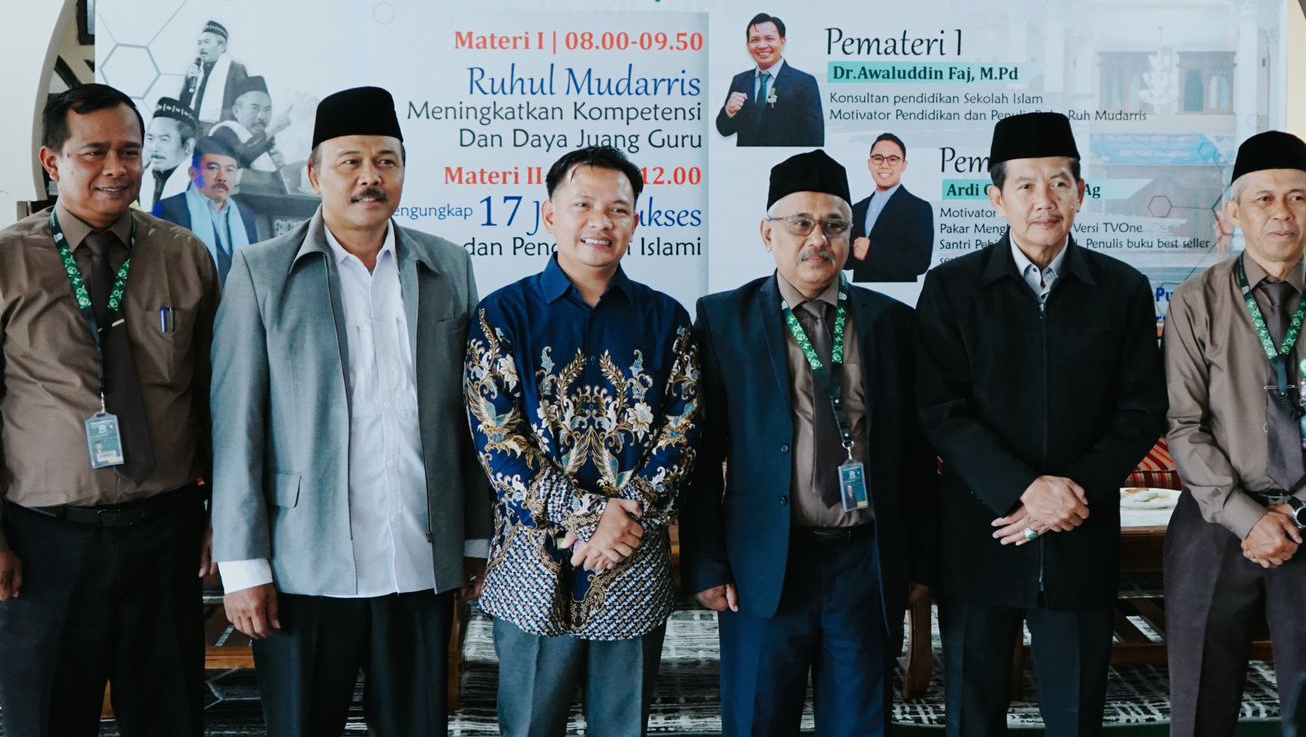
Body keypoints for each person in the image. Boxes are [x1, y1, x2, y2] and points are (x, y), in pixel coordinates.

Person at [210, 86, 491, 736]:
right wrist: (243, 566)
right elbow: (235, 427)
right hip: (303, 564)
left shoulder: (447, 266)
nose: (371, 177)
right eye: (351, 162)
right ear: (314, 175)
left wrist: (474, 537)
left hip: (417, 558)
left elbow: (472, 416)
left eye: (387, 161)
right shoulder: (261, 272)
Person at [917, 111, 1165, 736]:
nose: (1044, 200)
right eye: (1025, 185)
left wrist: (1069, 495)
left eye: (1059, 183)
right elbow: (940, 410)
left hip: (1080, 535)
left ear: (1080, 194)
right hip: (984, 535)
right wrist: (1025, 490)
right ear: (997, 198)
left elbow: (1141, 410)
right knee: (972, 717)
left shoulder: (1123, 290)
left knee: (1075, 718)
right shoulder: (951, 289)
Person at [681, 149, 937, 737]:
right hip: (765, 563)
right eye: (801, 223)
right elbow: (701, 454)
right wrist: (707, 561)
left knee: (860, 724)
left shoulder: (893, 323)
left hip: (865, 562)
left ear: (851, 236)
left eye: (834, 225)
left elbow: (915, 452)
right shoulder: (724, 321)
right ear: (767, 233)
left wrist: (919, 559)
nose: (817, 239)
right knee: (758, 720)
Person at [0, 83, 220, 736]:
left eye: (129, 151)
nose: (116, 168)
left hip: (165, 536)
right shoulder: (9, 262)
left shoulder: (184, 255)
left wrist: (223, 518)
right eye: (94, 152)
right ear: (52, 161)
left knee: (169, 718)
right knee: (45, 721)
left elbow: (215, 398)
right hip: (45, 545)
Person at [464, 145, 700, 737]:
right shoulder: (502, 316)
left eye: (618, 209)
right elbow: (498, 443)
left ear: (635, 223)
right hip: (533, 563)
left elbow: (682, 431)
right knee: (530, 725)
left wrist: (624, 521)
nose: (601, 221)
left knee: (622, 725)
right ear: (550, 216)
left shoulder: (667, 319)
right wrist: (596, 518)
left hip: (631, 562)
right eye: (583, 205)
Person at [1162, 131, 1306, 735]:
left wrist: (1299, 511)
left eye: (1296, 198)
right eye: (1263, 199)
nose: (1280, 212)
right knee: (1199, 708)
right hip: (1215, 525)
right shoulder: (1196, 302)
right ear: (1234, 212)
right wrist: (1249, 519)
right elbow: (1184, 426)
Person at [152, 135, 259, 281]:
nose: (222, 177)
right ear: (193, 173)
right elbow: (160, 272)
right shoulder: (168, 209)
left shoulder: (246, 215)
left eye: (229, 170)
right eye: (213, 168)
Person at [713, 13, 824, 147]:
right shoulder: (740, 81)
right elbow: (724, 130)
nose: (762, 45)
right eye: (755, 40)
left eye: (769, 38)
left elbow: (815, 138)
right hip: (746, 160)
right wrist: (728, 111)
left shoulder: (805, 83)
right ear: (748, 45)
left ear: (782, 42)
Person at [847, 133, 934, 283]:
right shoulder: (857, 209)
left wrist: (871, 251)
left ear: (904, 165)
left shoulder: (919, 208)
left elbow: (920, 263)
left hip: (898, 292)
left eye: (893, 159)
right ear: (869, 164)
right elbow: (849, 260)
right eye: (878, 158)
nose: (884, 165)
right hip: (860, 293)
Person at [178, 19, 250, 126]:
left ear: (221, 47)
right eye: (199, 43)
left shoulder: (235, 69)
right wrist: (188, 81)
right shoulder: (197, 69)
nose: (201, 47)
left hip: (221, 130)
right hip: (194, 128)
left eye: (206, 42)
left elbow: (243, 108)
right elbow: (183, 105)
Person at [219, 75, 290, 171]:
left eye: (267, 109)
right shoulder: (223, 131)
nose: (261, 116)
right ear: (236, 111)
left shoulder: (267, 141)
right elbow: (238, 159)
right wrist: (269, 131)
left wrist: (278, 165)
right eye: (254, 109)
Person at [140, 96, 198, 207]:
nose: (154, 147)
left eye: (164, 139)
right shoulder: (142, 177)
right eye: (150, 138)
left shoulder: (200, 186)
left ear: (188, 146)